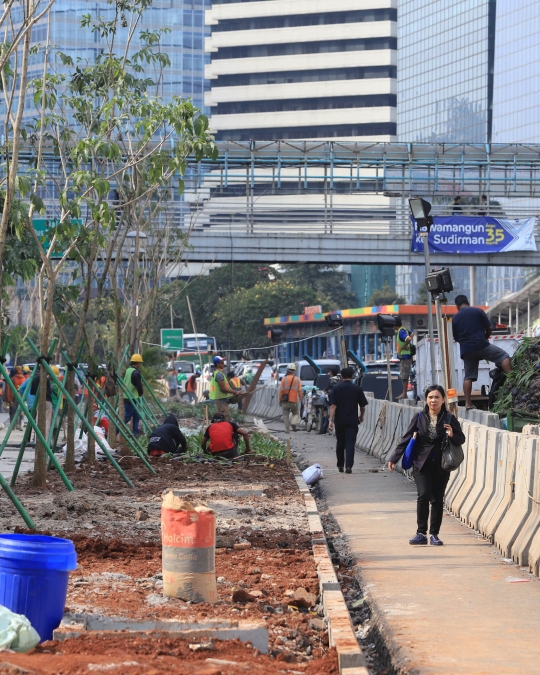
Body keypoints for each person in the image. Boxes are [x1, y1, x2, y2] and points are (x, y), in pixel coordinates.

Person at [387, 385, 465, 546]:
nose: (433, 400)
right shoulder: (419, 417)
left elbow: (461, 439)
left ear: (443, 400)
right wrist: (394, 458)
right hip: (421, 464)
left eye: (437, 397)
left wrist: (452, 434)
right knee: (423, 495)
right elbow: (406, 438)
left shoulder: (449, 419)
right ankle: (421, 533)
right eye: (430, 397)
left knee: (437, 499)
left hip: (441, 465)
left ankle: (434, 534)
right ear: (426, 400)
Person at [452, 295, 511, 410]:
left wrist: (466, 344)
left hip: (466, 351)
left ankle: (468, 403)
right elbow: (489, 327)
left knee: (468, 376)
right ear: (468, 303)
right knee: (503, 356)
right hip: (481, 345)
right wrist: (485, 338)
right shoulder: (478, 311)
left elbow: (456, 337)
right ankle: (512, 382)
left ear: (457, 306)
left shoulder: (455, 318)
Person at [328, 367, 368, 473]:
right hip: (352, 421)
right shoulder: (357, 389)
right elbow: (363, 406)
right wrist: (361, 416)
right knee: (350, 443)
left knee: (340, 443)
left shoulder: (336, 388)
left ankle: (340, 464)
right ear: (352, 376)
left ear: (341, 376)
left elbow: (333, 406)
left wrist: (330, 420)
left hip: (340, 421)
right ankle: (349, 466)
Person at [209, 356, 236, 422]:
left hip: (220, 399)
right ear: (218, 364)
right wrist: (234, 392)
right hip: (221, 400)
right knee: (226, 418)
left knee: (225, 418)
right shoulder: (219, 374)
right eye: (222, 362)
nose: (223, 364)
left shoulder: (216, 373)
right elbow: (222, 389)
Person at [123, 354, 144, 436]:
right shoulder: (136, 373)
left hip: (127, 396)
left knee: (136, 416)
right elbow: (139, 385)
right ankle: (115, 431)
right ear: (138, 363)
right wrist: (141, 393)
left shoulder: (128, 370)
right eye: (140, 363)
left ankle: (136, 433)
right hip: (131, 398)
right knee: (127, 417)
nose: (140, 365)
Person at [279, 363, 303, 433]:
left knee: (286, 415)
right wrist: (301, 398)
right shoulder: (297, 380)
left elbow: (281, 391)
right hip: (294, 401)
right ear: (294, 371)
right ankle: (294, 423)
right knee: (296, 413)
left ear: (287, 370)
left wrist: (280, 400)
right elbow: (299, 390)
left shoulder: (284, 379)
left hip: (285, 401)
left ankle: (287, 430)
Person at [395, 317, 414, 400]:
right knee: (404, 375)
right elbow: (412, 334)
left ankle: (404, 393)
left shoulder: (401, 332)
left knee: (404, 376)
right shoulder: (404, 329)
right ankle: (404, 393)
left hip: (406, 356)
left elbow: (409, 338)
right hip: (405, 356)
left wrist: (405, 346)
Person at [7, 366, 26, 431]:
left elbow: (10, 390)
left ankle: (14, 425)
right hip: (22, 397)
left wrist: (10, 400)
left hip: (14, 397)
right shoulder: (24, 378)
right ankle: (21, 423)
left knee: (13, 411)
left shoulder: (13, 378)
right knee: (22, 410)